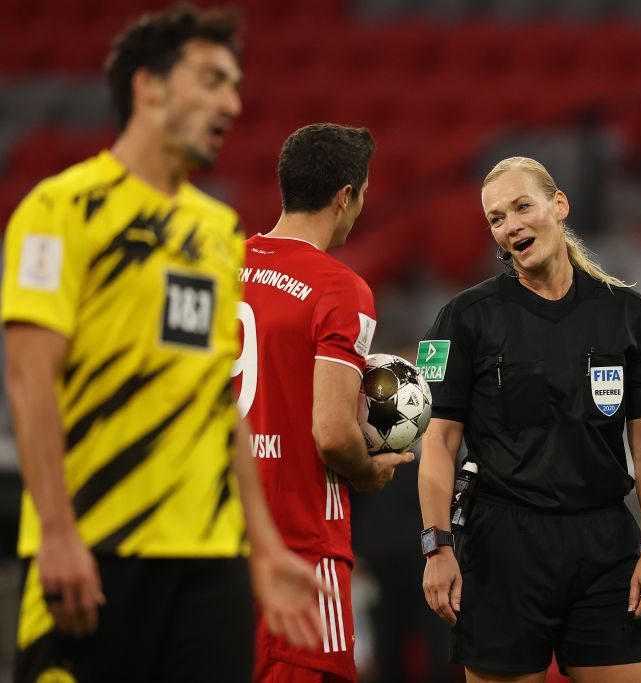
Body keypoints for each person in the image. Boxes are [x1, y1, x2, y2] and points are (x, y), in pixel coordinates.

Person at [1, 7, 325, 682]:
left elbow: (218, 399)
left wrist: (262, 545)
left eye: (235, 85)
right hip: (92, 546)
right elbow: (30, 381)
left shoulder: (214, 231)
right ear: (149, 88)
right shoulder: (59, 211)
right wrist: (58, 533)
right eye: (211, 80)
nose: (232, 103)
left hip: (208, 559)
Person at [418, 156, 641, 683]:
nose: (510, 225)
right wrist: (436, 545)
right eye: (495, 218)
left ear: (559, 206)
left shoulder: (628, 313)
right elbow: (439, 443)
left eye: (521, 207)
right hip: (501, 550)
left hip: (605, 545)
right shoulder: (464, 317)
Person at [235, 123, 415, 683]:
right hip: (301, 550)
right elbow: (334, 434)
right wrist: (367, 471)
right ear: (346, 196)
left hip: (216, 550)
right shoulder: (339, 288)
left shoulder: (219, 264)